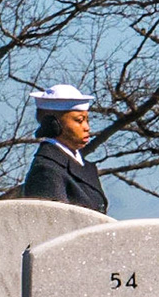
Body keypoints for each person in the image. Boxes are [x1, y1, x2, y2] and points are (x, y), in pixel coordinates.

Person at [21, 84, 108, 213]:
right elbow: (53, 224)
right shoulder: (46, 169)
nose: (86, 127)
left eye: (86, 120)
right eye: (79, 120)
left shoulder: (85, 167)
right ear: (53, 123)